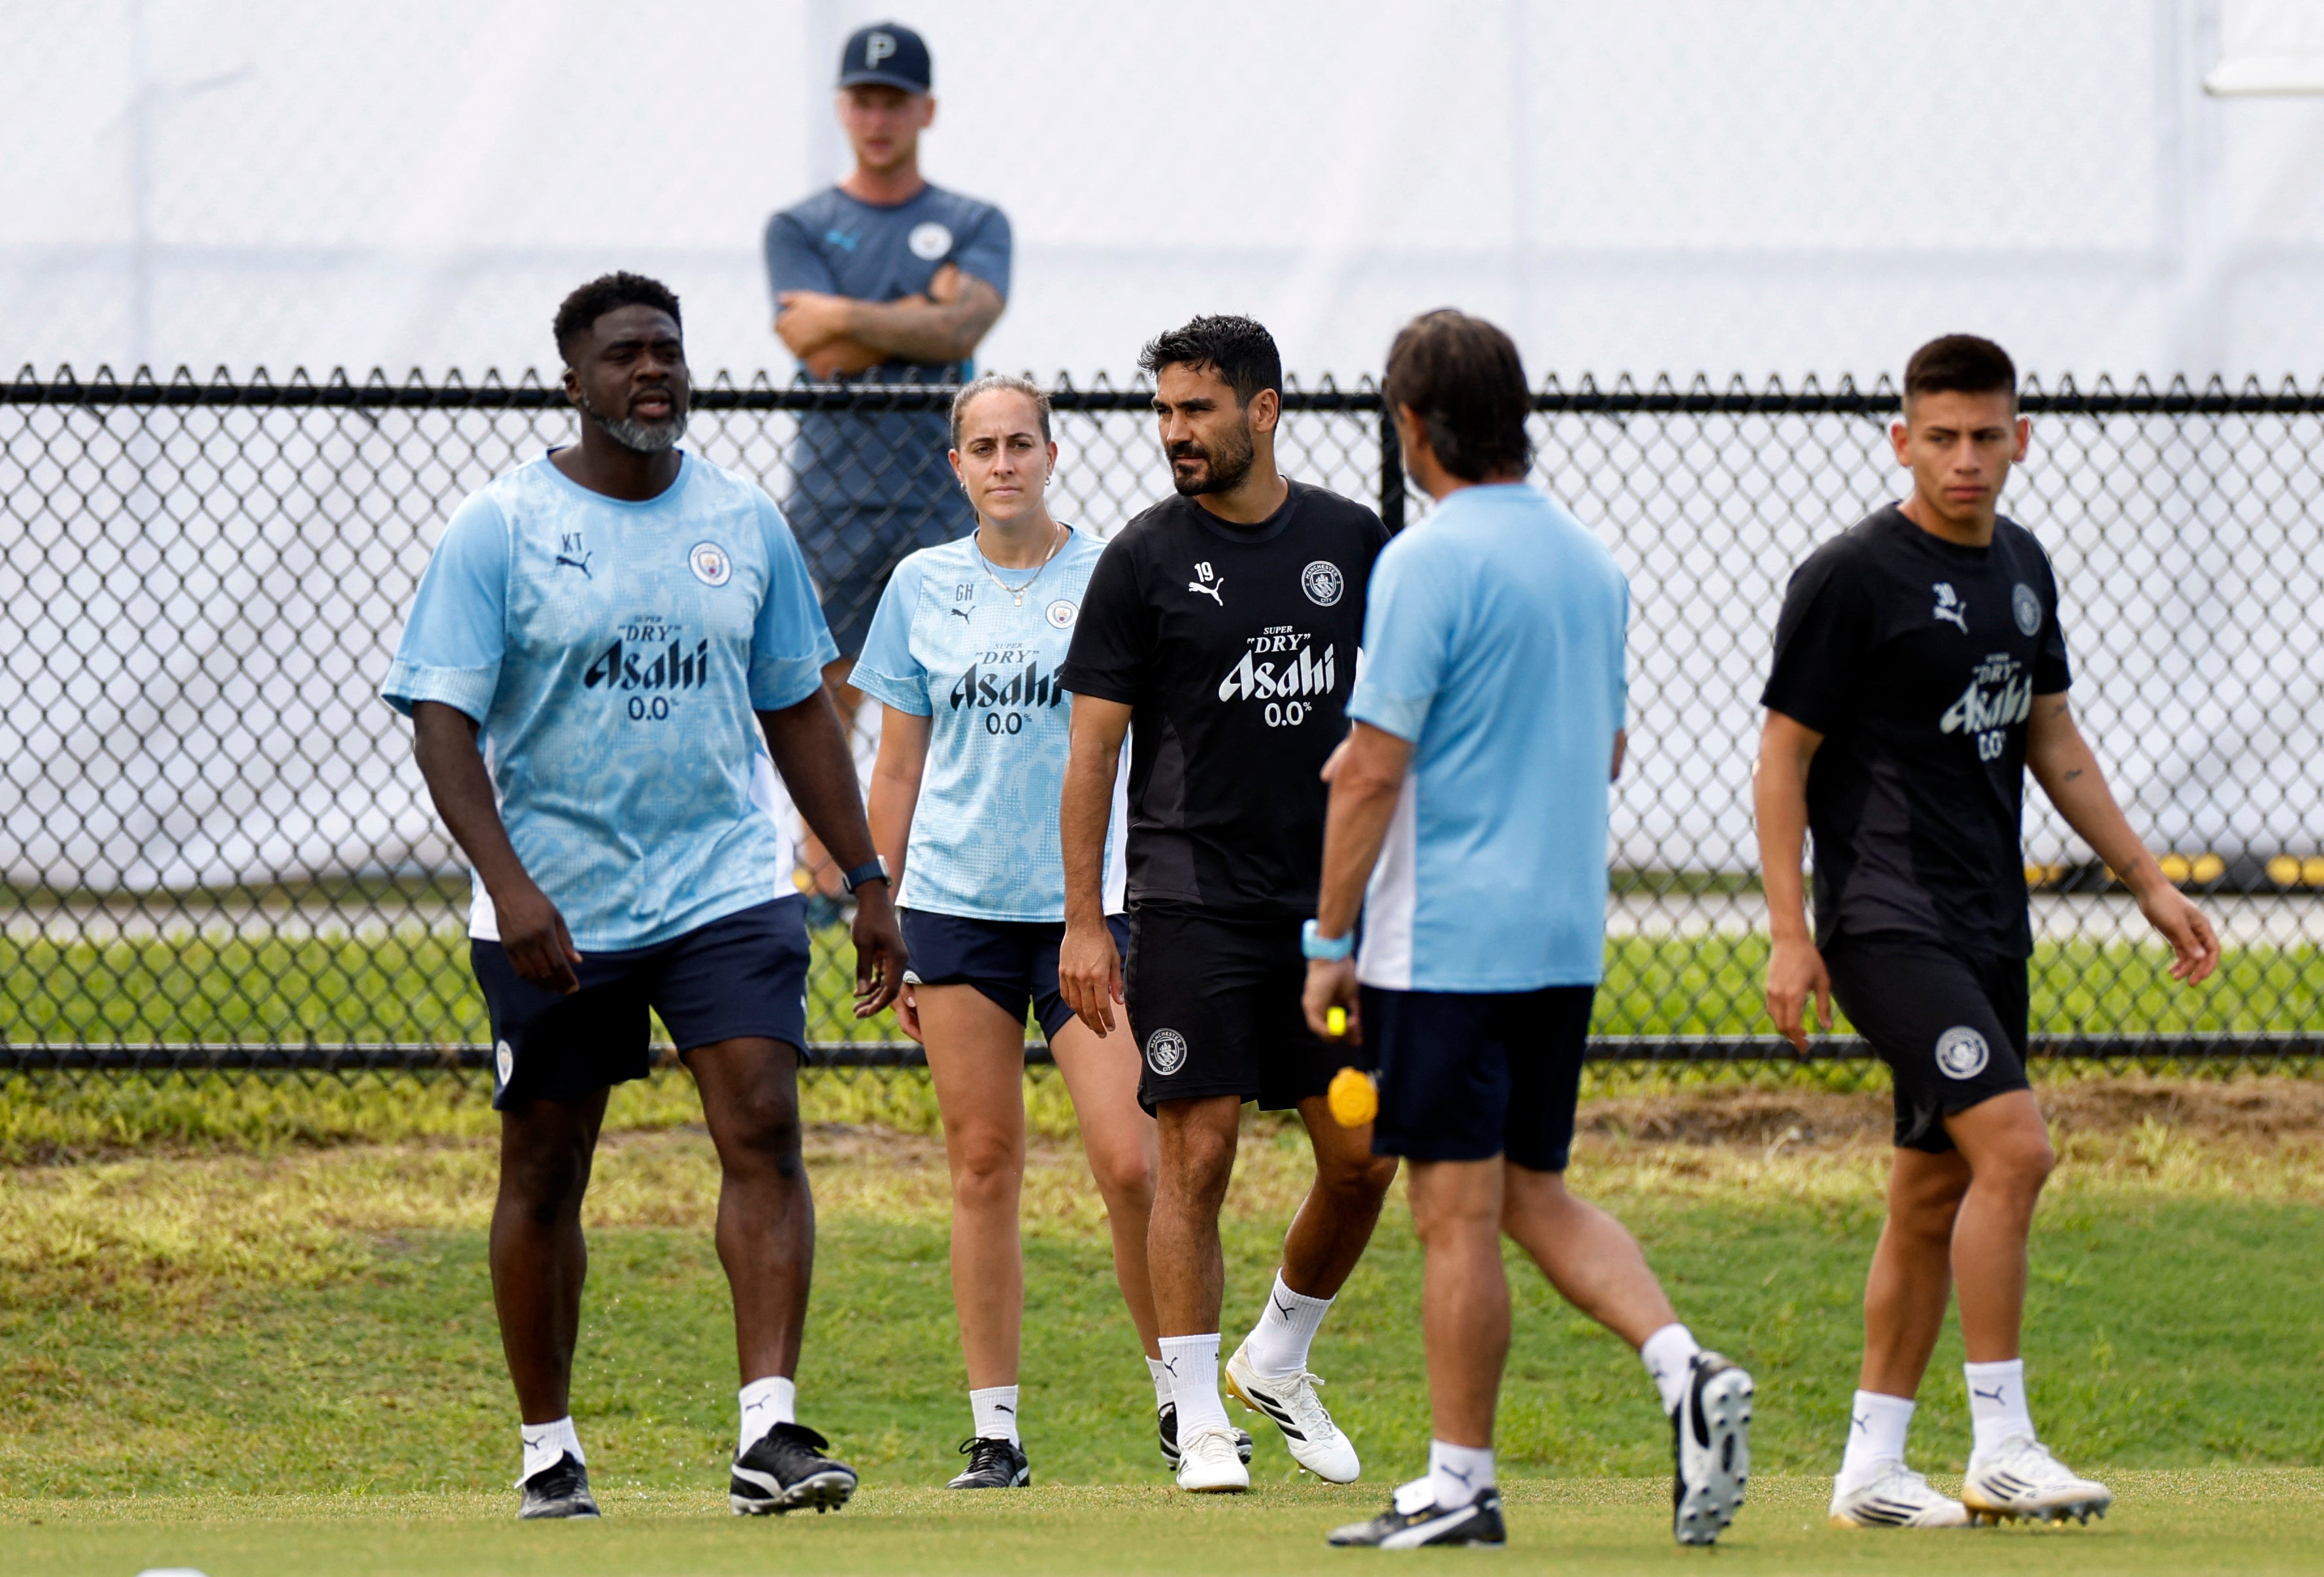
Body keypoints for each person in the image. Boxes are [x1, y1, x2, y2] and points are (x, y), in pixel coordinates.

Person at [382, 272, 908, 1521]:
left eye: (667, 350)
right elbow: (443, 726)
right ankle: (549, 1446)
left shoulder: (743, 518)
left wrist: (867, 874)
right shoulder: (499, 526)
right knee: (548, 1166)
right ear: (573, 380)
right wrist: (509, 885)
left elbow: (798, 705)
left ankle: (767, 1434)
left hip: (723, 886)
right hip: (555, 907)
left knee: (764, 1125)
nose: (652, 370)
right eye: (624, 355)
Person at [1301, 310, 1754, 1550]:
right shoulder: (1590, 562)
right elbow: (1604, 752)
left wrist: (1325, 940)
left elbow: (1369, 769)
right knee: (1529, 1190)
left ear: (1409, 423)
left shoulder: (1424, 560)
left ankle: (1460, 1482)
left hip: (1444, 941)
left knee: (1452, 1212)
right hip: (1562, 938)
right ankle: (1682, 1368)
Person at [1753, 334, 2219, 1530]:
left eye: (1986, 436)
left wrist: (2148, 883)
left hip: (1985, 925)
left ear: (2021, 438)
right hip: (1883, 922)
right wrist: (1788, 932)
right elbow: (1782, 758)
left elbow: (2052, 739)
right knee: (2015, 1150)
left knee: (1929, 1190)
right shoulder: (1849, 576)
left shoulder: (2022, 566)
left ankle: (1869, 1469)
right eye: (1941, 437)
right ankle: (2002, 1441)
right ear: (1899, 440)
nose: (1965, 459)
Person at [1056, 315, 1399, 1495]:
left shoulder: (1354, 542)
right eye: (1162, 411)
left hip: (1328, 915)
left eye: (1196, 409)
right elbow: (1091, 753)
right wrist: (1085, 918)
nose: (1173, 433)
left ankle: (1280, 1355)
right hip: (1190, 900)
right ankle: (1200, 1417)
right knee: (1193, 1155)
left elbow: (1408, 713)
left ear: (1263, 410)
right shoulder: (1143, 559)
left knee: (1365, 1155)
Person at [853, 373, 1163, 1491]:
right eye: (980, 447)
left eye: (1018, 443)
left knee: (1131, 1160)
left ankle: (1182, 1393)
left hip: (1086, 914)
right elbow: (897, 761)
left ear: (1050, 452)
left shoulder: (1113, 575)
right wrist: (874, 905)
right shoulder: (921, 583)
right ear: (956, 466)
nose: (1001, 464)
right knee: (982, 1162)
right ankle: (994, 1431)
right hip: (953, 908)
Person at [765, 19, 1010, 744]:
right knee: (828, 700)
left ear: (926, 110)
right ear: (842, 106)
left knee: (945, 705)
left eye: (895, 101)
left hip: (941, 492)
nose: (878, 119)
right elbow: (819, 355)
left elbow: (962, 329)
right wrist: (922, 308)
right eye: (864, 100)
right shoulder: (798, 226)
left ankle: (930, 861)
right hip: (833, 499)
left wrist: (843, 313)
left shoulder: (973, 221)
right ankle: (828, 863)